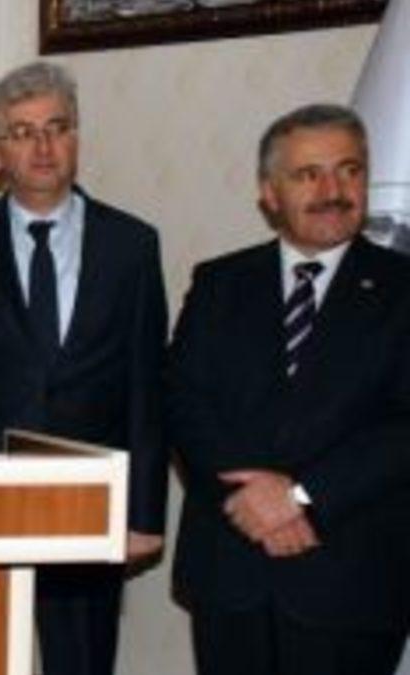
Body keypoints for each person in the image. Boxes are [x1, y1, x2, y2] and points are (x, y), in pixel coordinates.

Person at [0, 61, 168, 675]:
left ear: (76, 140)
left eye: (57, 128)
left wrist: (144, 514)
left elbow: (147, 385)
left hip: (88, 499)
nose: (43, 146)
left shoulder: (131, 245)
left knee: (81, 663)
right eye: (22, 132)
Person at [168, 103, 410, 675]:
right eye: (308, 175)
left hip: (351, 580)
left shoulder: (403, 289)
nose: (333, 191)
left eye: (349, 170)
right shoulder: (219, 283)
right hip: (231, 570)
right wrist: (249, 501)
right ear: (269, 193)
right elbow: (182, 401)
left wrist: (299, 498)